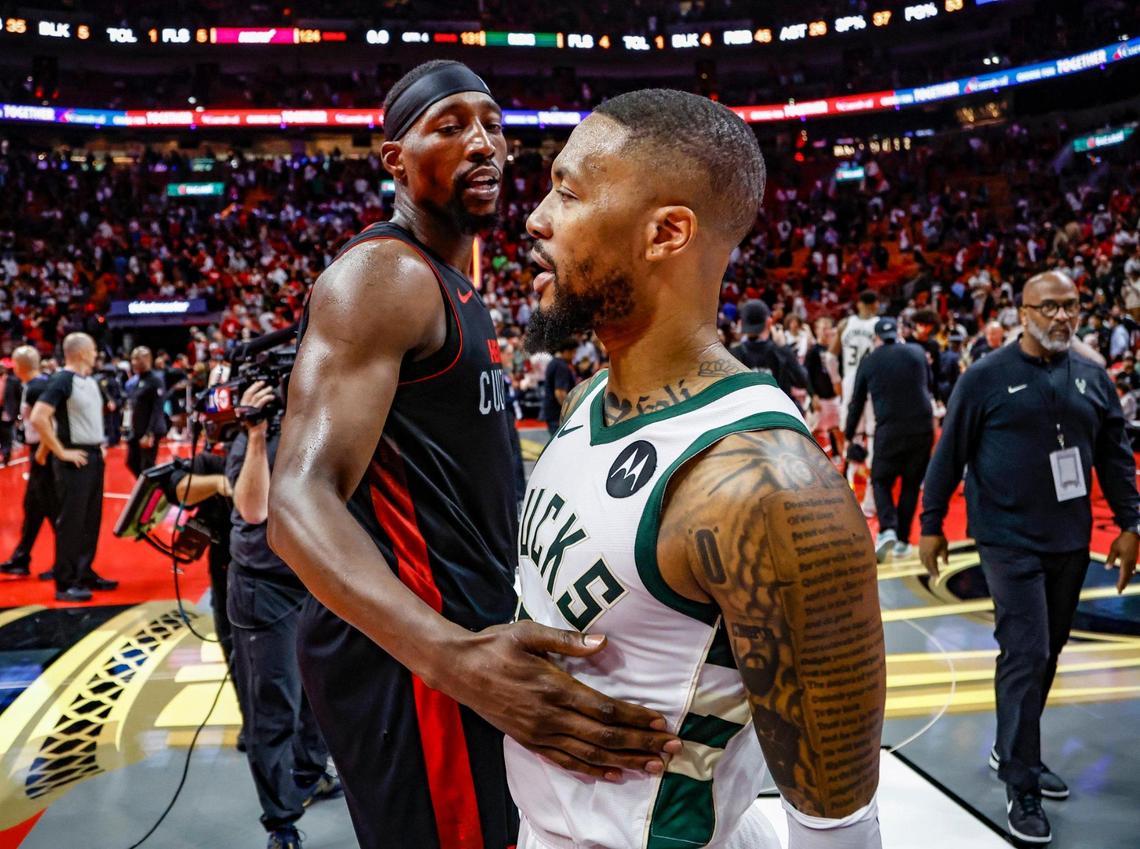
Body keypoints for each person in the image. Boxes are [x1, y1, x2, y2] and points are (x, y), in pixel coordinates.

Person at [268, 61, 678, 849]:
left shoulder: (460, 284)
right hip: (414, 662)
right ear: (394, 159)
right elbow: (295, 502)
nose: (483, 143)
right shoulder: (384, 274)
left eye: (491, 124)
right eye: (451, 125)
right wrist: (453, 658)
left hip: (459, 646)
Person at [513, 88, 885, 849]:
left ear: (666, 232)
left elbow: (837, 825)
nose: (537, 216)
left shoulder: (764, 488)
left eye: (568, 190)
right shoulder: (587, 397)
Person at [920, 270, 1140, 845]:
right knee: (1027, 650)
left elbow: (1115, 458)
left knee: (1048, 652)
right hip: (1005, 537)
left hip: (1070, 540)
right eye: (1048, 308)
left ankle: (1011, 747)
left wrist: (1130, 524)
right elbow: (949, 455)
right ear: (1022, 313)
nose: (1061, 317)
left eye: (1070, 307)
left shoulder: (1094, 377)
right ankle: (1021, 783)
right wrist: (931, 526)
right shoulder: (985, 378)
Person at [227, 381, 339, 849]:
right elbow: (252, 509)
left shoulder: (325, 423)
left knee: (319, 697)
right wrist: (254, 436)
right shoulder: (255, 433)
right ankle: (281, 822)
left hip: (316, 579)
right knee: (274, 708)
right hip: (266, 585)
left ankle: (310, 775)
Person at [29, 333, 118, 602]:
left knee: (91, 519)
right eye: (92, 349)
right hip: (74, 458)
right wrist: (60, 451)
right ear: (80, 352)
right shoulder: (61, 380)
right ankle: (65, 582)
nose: (95, 354)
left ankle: (83, 571)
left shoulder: (89, 381)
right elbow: (39, 417)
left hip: (92, 454)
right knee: (72, 522)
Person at [845, 318, 934, 561]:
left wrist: (849, 433)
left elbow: (857, 402)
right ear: (898, 333)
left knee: (881, 480)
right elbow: (930, 385)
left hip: (891, 428)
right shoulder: (917, 351)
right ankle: (903, 541)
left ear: (876, 338)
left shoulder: (870, 360)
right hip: (922, 427)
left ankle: (888, 528)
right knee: (910, 484)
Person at [0, 347, 56, 577]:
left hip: (43, 452)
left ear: (18, 365)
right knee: (33, 508)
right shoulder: (36, 385)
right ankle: (21, 557)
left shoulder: (36, 388)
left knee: (53, 509)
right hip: (41, 451)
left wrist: (42, 452)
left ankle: (65, 562)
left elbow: (50, 423)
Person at [729, 300, 808, 401]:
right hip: (778, 412)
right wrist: (784, 347)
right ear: (769, 322)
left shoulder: (733, 355)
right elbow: (802, 381)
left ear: (740, 324)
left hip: (748, 413)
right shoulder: (780, 352)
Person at [124, 346, 167, 477]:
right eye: (132, 359)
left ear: (146, 360)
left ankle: (153, 493)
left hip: (149, 430)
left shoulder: (155, 380)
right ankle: (144, 488)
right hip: (137, 429)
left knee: (148, 466)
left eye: (137, 358)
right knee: (131, 462)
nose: (133, 362)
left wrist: (149, 433)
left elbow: (157, 408)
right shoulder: (137, 381)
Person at [804, 316, 843, 458]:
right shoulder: (813, 351)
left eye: (828, 328)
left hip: (835, 398)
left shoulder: (837, 351)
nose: (826, 331)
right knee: (811, 431)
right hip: (819, 399)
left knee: (838, 429)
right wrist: (812, 395)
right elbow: (806, 376)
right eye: (823, 328)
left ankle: (839, 456)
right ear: (817, 330)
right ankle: (808, 459)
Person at [542, 338, 578, 434]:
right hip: (557, 414)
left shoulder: (554, 362)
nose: (574, 356)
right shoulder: (561, 366)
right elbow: (560, 392)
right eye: (573, 352)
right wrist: (569, 412)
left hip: (552, 411)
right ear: (566, 351)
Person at [0, 359, 19, 464]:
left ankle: (6, 454)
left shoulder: (13, 381)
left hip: (7, 411)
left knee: (7, 434)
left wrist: (17, 414)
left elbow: (18, 397)